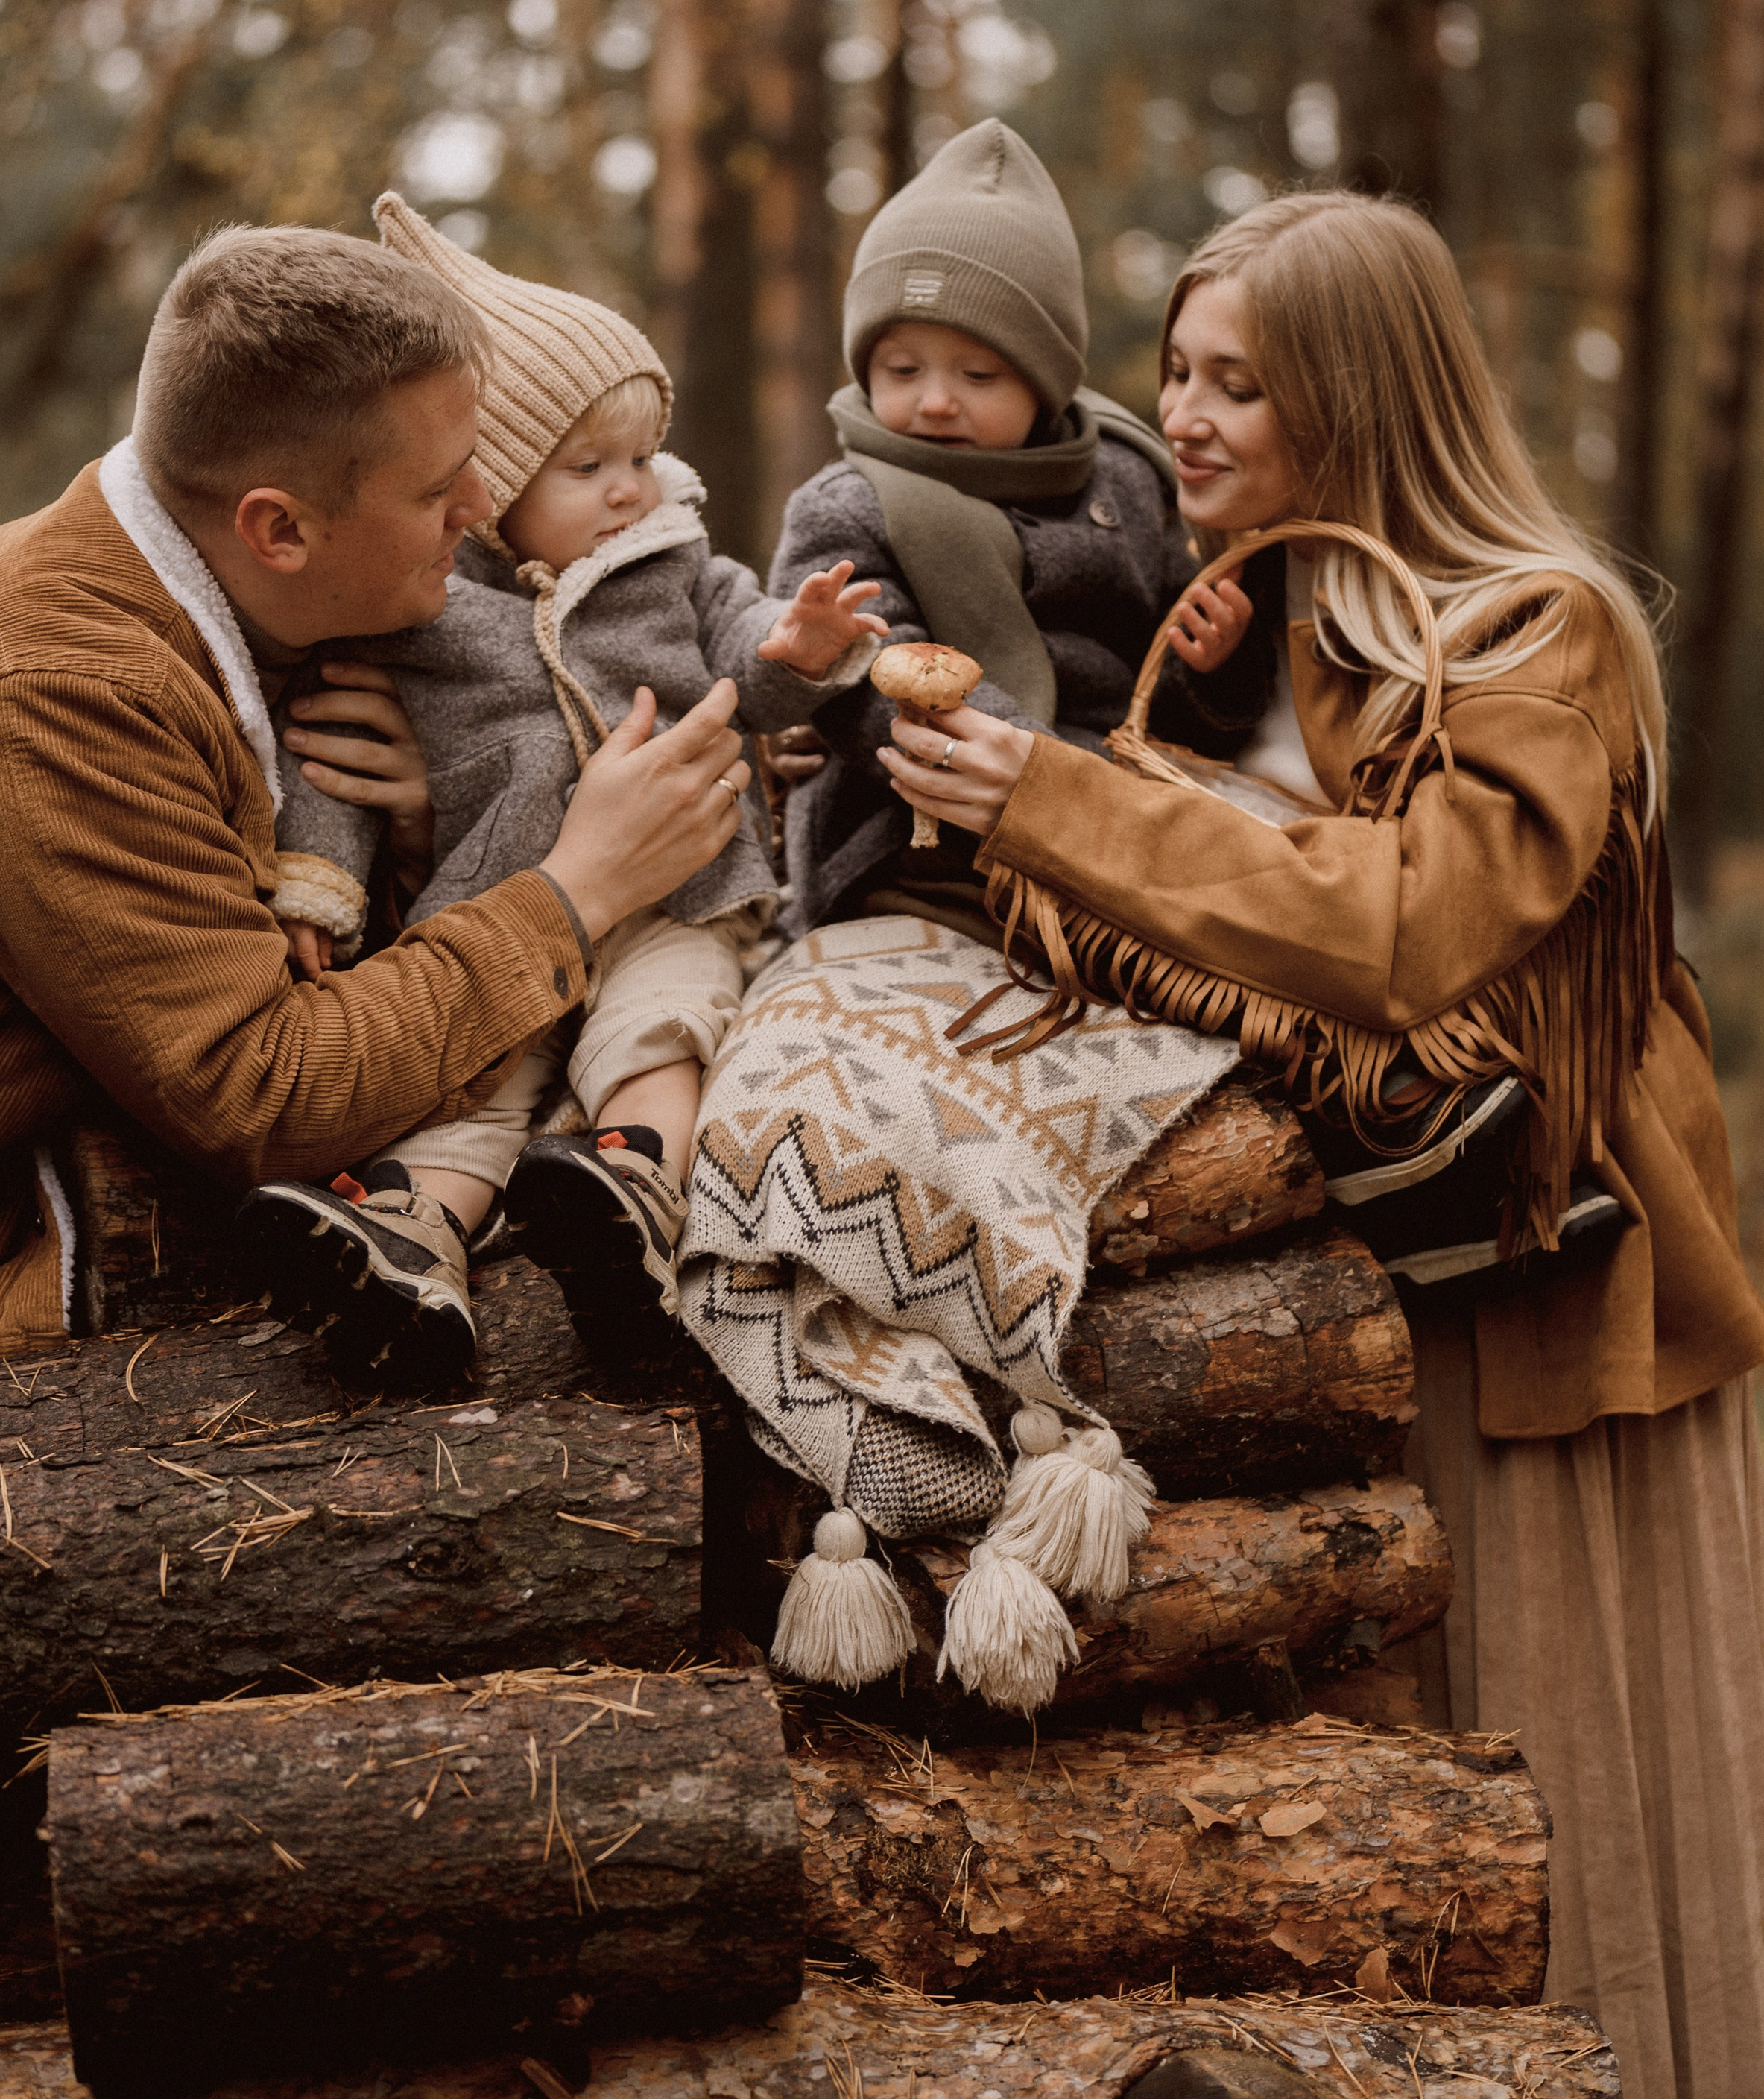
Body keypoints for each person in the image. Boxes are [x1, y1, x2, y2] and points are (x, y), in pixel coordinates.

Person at [871, 189, 1764, 2099]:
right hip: (1337, 1268)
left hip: (1534, 1276)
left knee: (1549, 1755)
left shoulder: (1532, 631)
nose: (1183, 418)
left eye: (1238, 385)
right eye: (1176, 372)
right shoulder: (1229, 615)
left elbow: (1406, 929)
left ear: (1357, 401)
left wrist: (1056, 799)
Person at [0, 223, 753, 1697]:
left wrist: (423, 825)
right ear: (276, 527)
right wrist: (577, 889)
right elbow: (265, 1093)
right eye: (437, 487)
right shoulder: (53, 691)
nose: (481, 510)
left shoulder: (218, 600)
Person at [237, 195, 884, 1383]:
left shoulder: (672, 561)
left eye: (639, 458)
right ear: (490, 490)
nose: (629, 489)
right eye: (587, 468)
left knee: (661, 1028)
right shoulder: (431, 603)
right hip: (504, 907)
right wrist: (318, 885)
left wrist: (796, 650)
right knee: (473, 1084)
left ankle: (633, 1186)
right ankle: (410, 1239)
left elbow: (743, 663)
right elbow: (328, 748)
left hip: (679, 893)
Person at [765, 118, 1264, 940]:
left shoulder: (1125, 480)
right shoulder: (847, 508)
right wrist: (1056, 783)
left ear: (1044, 381)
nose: (935, 401)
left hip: (1124, 809)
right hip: (916, 834)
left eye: (979, 373)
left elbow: (1160, 694)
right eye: (902, 369)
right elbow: (875, 683)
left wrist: (1212, 671)